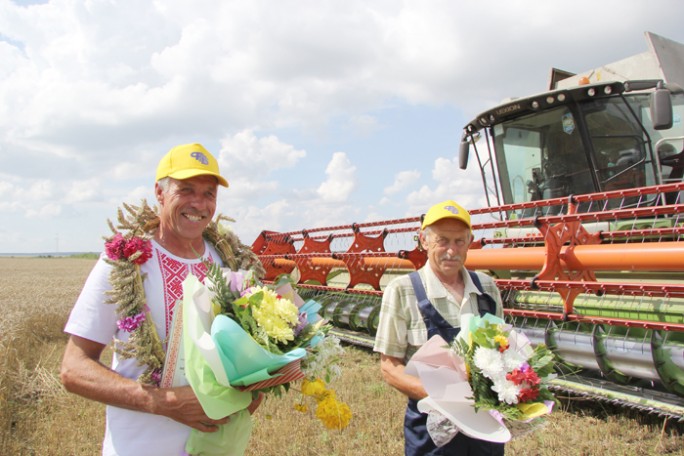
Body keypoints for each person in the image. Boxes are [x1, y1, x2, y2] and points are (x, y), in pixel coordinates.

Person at [60, 143, 263, 456]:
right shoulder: (125, 262)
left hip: (215, 447)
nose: (199, 203)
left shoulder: (230, 263)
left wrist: (254, 387)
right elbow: (73, 368)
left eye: (209, 193)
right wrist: (163, 402)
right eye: (186, 189)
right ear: (159, 192)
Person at [373, 199, 506, 455]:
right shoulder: (402, 291)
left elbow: (502, 351)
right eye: (442, 240)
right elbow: (389, 367)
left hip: (486, 425)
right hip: (432, 429)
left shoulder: (487, 288)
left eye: (459, 241)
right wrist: (443, 399)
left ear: (470, 241)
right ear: (424, 240)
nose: (451, 250)